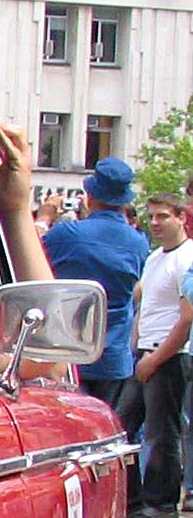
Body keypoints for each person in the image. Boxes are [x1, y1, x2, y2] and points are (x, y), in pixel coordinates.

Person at [41, 157, 148, 407]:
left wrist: (44, 219)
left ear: (90, 196)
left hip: (67, 351)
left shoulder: (67, 234)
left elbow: (30, 257)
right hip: (113, 357)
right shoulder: (139, 243)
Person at [124, 194, 193, 518]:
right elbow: (145, 301)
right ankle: (134, 499)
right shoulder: (154, 258)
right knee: (124, 423)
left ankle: (162, 505)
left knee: (160, 432)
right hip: (144, 351)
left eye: (162, 216)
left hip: (168, 354)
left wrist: (156, 357)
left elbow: (185, 319)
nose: (154, 223)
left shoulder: (187, 257)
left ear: (181, 217)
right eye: (151, 216)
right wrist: (137, 340)